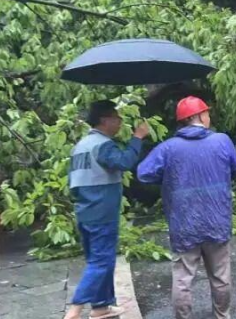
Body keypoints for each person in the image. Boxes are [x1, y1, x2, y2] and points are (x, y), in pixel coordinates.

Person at [137, 96, 236, 319]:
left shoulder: (168, 148)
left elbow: (144, 173)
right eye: (207, 113)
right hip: (217, 220)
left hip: (183, 223)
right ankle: (222, 316)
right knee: (221, 276)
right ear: (199, 116)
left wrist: (169, 178)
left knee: (183, 279)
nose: (209, 116)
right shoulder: (222, 141)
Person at [65, 101, 149, 319]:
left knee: (97, 259)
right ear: (105, 120)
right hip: (102, 211)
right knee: (101, 261)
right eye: (116, 117)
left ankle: (101, 306)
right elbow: (124, 162)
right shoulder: (103, 145)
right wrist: (138, 137)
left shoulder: (80, 146)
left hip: (84, 211)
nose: (120, 122)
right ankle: (74, 310)